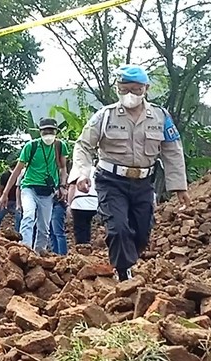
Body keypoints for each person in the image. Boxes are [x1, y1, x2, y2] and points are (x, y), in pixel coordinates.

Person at [73, 64, 190, 281]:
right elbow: (83, 145)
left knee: (142, 230)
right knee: (118, 228)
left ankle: (128, 261)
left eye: (136, 90)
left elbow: (172, 150)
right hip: (110, 181)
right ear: (117, 88)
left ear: (146, 88)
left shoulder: (160, 116)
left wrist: (179, 186)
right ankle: (123, 272)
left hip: (144, 183)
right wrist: (82, 173)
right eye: (125, 89)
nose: (130, 94)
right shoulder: (104, 116)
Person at [0, 118, 69, 254]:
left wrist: (62, 186)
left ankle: (39, 252)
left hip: (48, 191)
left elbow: (63, 168)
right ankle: (25, 250)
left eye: (51, 131)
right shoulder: (31, 147)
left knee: (44, 226)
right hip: (29, 188)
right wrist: (5, 193)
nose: (48, 134)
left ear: (56, 132)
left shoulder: (60, 146)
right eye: (45, 131)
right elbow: (17, 171)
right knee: (29, 216)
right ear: (40, 132)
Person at [68, 164, 99, 245]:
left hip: (79, 204)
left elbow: (72, 187)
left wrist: (69, 204)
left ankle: (81, 247)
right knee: (87, 226)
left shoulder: (77, 170)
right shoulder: (97, 170)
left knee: (79, 228)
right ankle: (87, 244)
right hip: (93, 204)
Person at [0, 161, 22, 232]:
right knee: (18, 218)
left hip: (11, 201)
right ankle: (17, 233)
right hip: (10, 201)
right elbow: (0, 187)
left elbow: (0, 188)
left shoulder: (17, 175)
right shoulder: (7, 175)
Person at [49, 191, 68, 255]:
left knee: (58, 232)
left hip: (58, 203)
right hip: (50, 203)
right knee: (51, 233)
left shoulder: (61, 183)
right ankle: (56, 254)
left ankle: (62, 255)